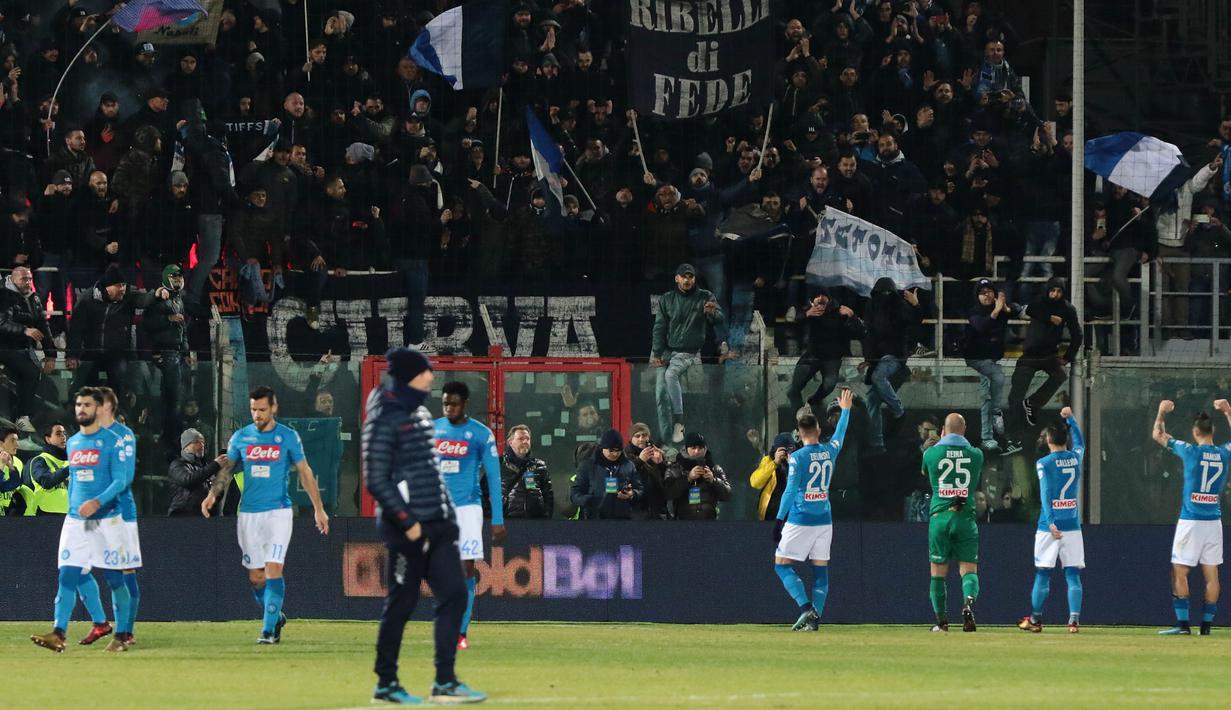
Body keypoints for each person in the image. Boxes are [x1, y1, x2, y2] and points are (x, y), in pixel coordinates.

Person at [363, 348, 486, 704]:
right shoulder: (384, 416)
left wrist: (446, 515)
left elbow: (429, 470)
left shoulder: (418, 412)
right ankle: (386, 682)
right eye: (424, 373)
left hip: (440, 523)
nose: (431, 377)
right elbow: (376, 479)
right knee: (402, 603)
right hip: (408, 528)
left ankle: (445, 682)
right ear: (407, 377)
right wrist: (409, 523)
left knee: (455, 594)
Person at [201, 385, 330, 644]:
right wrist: (213, 494)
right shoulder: (241, 437)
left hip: (278, 512)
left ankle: (268, 631)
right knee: (256, 577)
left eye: (261, 410)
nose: (257, 415)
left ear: (273, 408)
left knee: (274, 568)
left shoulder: (288, 437)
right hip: (249, 514)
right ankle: (276, 616)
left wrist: (319, 508)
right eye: (253, 410)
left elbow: (304, 472)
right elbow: (227, 470)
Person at [30, 388, 133, 653]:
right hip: (75, 520)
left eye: (87, 405)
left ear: (98, 409)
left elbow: (121, 480)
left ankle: (122, 634)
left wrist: (97, 502)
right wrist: (75, 507)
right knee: (67, 574)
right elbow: (75, 479)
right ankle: (58, 633)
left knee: (114, 579)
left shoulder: (113, 441)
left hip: (106, 519)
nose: (81, 410)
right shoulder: (74, 443)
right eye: (78, 405)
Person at [772, 389, 853, 632]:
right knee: (820, 570)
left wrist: (779, 521)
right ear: (818, 430)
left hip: (801, 518)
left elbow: (789, 491)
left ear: (800, 432)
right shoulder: (831, 450)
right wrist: (846, 410)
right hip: (824, 520)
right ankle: (815, 620)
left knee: (781, 564)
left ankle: (806, 608)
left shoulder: (797, 458)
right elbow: (840, 433)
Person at [433, 381, 506, 650]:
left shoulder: (480, 434)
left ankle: (460, 631)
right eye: (445, 403)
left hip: (467, 509)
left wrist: (497, 519)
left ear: (465, 404)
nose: (449, 408)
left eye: (453, 403)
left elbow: (495, 478)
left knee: (466, 568)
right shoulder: (433, 429)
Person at [1152, 398, 1231, 636]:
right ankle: (1206, 627)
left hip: (1191, 520)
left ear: (1195, 432)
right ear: (1212, 430)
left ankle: (1183, 624)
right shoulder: (1224, 453)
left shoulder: (1189, 451)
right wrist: (1228, 410)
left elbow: (1158, 434)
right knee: (1211, 574)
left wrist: (1161, 412)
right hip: (1214, 522)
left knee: (1179, 570)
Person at [1018, 407, 1085, 634]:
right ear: (1065, 439)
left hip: (1049, 526)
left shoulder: (1044, 463)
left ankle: (1036, 620)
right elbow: (1081, 443)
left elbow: (1046, 493)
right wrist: (1071, 420)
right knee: (1073, 575)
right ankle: (1073, 621)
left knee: (1043, 573)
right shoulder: (1076, 458)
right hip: (1073, 525)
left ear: (1048, 439)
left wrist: (1051, 521)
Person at [921, 413, 986, 632]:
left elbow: (925, 472)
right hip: (965, 517)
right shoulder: (976, 455)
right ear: (964, 430)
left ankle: (942, 622)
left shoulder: (931, 453)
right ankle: (968, 604)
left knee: (938, 573)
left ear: (943, 431)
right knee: (969, 570)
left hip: (940, 517)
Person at [650, 263, 726, 444]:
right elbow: (659, 327)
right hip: (667, 351)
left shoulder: (705, 296)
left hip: (688, 352)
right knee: (660, 394)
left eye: (690, 276)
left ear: (694, 279)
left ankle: (679, 422)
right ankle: (666, 439)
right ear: (676, 278)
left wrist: (712, 313)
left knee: (670, 376)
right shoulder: (667, 299)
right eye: (683, 276)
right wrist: (657, 353)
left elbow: (720, 319)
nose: (687, 280)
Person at [1005, 277, 1082, 450]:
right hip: (1029, 356)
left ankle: (1032, 404)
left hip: (1049, 356)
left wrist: (1068, 356)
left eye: (1059, 292)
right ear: (1047, 291)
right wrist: (1049, 318)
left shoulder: (1068, 309)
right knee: (1015, 396)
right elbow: (1031, 309)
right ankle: (1013, 437)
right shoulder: (1039, 303)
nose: (1055, 295)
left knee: (1061, 375)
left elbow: (1077, 334)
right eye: (1052, 291)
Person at [96, 386, 142, 645]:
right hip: (92, 514)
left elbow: (123, 478)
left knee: (124, 571)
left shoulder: (124, 436)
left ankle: (125, 631)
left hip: (120, 511)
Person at [862, 277, 921, 454]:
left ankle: (898, 410)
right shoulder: (871, 307)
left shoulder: (900, 306)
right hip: (877, 359)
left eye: (888, 292)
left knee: (878, 377)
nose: (885, 296)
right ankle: (877, 444)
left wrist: (916, 305)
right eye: (882, 293)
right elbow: (869, 335)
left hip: (895, 357)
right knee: (872, 400)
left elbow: (915, 323)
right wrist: (869, 358)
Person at [786, 292, 864, 415]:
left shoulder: (839, 311)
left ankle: (813, 402)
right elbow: (792, 324)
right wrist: (807, 314)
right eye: (817, 300)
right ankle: (801, 418)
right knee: (793, 390)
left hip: (832, 357)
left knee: (829, 384)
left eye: (823, 300)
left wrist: (851, 316)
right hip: (811, 355)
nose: (820, 304)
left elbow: (860, 331)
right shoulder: (809, 310)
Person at [141, 265, 189, 458]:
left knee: (175, 400)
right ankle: (168, 440)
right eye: (174, 276)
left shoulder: (178, 299)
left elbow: (183, 328)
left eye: (180, 276)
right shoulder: (158, 297)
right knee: (169, 400)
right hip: (163, 352)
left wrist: (186, 350)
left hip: (176, 353)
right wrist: (168, 318)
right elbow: (147, 323)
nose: (178, 280)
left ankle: (172, 439)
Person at [963, 279, 1017, 453]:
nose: (986, 295)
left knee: (991, 393)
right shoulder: (974, 311)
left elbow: (1017, 309)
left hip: (994, 359)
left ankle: (996, 436)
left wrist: (1007, 308)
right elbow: (982, 326)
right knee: (992, 389)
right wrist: (997, 310)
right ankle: (989, 435)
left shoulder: (1002, 309)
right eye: (982, 292)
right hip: (976, 359)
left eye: (989, 291)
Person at [0, 264, 55, 429]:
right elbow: (1, 323)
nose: (28, 282)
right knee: (30, 371)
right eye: (24, 279)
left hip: (24, 350)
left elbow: (43, 327)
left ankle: (22, 418)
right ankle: (22, 417)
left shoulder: (34, 298)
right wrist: (24, 330)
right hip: (4, 347)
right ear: (13, 279)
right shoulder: (3, 296)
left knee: (41, 380)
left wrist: (50, 354)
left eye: (30, 278)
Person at [571, 429, 642, 520]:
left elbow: (640, 489)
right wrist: (589, 500)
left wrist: (632, 494)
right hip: (593, 519)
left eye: (618, 450)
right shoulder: (587, 466)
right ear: (603, 448)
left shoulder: (628, 465)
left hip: (622, 519)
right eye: (611, 450)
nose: (615, 454)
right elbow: (575, 494)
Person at [664, 432, 732, 520]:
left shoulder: (715, 469)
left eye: (700, 448)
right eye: (693, 448)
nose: (697, 451)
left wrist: (713, 481)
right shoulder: (674, 469)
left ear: (705, 449)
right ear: (686, 449)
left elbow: (727, 495)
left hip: (709, 522)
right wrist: (688, 478)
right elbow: (668, 493)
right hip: (683, 523)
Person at [168, 428, 227, 517]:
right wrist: (214, 465)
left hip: (204, 517)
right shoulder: (177, 464)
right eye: (196, 442)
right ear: (186, 446)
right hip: (183, 516)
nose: (202, 445)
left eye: (202, 442)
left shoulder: (205, 467)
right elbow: (188, 480)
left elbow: (217, 495)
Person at [501, 424, 553, 519]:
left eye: (528, 439)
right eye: (521, 439)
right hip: (507, 522)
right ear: (510, 442)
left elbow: (548, 496)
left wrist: (546, 518)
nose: (525, 441)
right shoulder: (498, 465)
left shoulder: (539, 466)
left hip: (535, 523)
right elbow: (485, 496)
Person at [25, 422, 69, 515]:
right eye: (58, 434)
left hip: (68, 515)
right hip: (45, 516)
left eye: (64, 433)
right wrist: (71, 467)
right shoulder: (39, 460)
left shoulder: (68, 462)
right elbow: (46, 481)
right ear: (48, 439)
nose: (63, 437)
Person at [751, 432, 796, 522]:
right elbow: (755, 483)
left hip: (793, 514)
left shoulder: (798, 460)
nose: (786, 452)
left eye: (789, 449)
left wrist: (793, 464)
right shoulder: (768, 460)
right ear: (776, 449)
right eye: (783, 449)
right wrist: (775, 462)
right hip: (772, 513)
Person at [0, 420, 32, 515]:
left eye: (17, 440)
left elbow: (11, 486)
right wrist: (1, 465)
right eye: (13, 441)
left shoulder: (17, 462)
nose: (17, 445)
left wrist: (11, 467)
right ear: (1, 443)